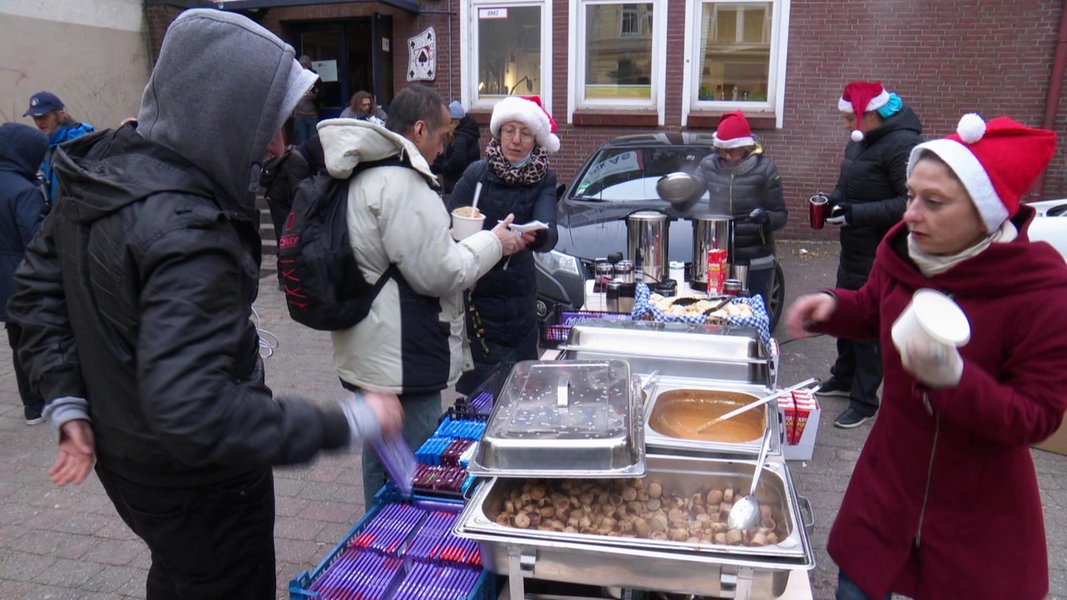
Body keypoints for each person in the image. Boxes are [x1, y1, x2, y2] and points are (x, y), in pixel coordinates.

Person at [6, 10, 404, 598]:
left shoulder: (106, 173)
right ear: (221, 114)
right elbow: (193, 410)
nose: (276, 145)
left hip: (128, 458)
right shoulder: (189, 227)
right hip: (199, 480)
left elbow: (36, 293)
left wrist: (66, 400)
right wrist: (348, 421)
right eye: (267, 123)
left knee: (182, 575)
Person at [785, 114, 1065, 600]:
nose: (910, 214)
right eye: (911, 195)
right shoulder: (905, 257)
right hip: (886, 495)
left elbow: (1037, 418)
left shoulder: (1040, 295)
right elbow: (873, 311)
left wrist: (954, 379)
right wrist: (832, 307)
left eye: (933, 202)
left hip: (975, 525)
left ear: (988, 211)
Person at [317, 85, 526, 508]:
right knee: (415, 480)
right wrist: (493, 243)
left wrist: (442, 239)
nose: (443, 147)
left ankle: (376, 556)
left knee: (381, 470)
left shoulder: (364, 171)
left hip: (369, 350)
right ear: (418, 130)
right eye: (442, 136)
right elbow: (441, 273)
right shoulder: (402, 183)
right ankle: (407, 558)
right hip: (403, 359)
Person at [816, 81, 923, 429]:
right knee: (845, 314)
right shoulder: (860, 141)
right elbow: (847, 183)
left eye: (850, 119)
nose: (846, 126)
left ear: (872, 113)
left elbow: (909, 203)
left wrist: (855, 213)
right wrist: (833, 201)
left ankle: (864, 400)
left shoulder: (903, 144)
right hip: (855, 246)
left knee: (869, 326)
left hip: (884, 252)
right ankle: (843, 378)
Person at [447, 95, 560, 395]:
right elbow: (452, 220)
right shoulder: (476, 174)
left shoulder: (543, 178)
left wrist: (538, 237)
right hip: (479, 298)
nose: (516, 140)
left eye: (524, 133)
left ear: (535, 139)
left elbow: (549, 228)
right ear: (498, 134)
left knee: (522, 393)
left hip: (520, 300)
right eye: (509, 131)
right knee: (481, 397)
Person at [688, 109, 787, 311]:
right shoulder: (709, 165)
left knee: (754, 314)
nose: (726, 156)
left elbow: (780, 215)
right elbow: (689, 195)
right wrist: (678, 194)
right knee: (716, 314)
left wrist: (765, 218)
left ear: (745, 147)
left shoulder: (765, 169)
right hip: (718, 258)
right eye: (722, 150)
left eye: (731, 151)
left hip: (756, 258)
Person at [0, 123, 48, 425]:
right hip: (25, 279)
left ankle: (32, 405)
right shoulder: (24, 191)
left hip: (4, 282)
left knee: (18, 341)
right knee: (40, 338)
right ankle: (49, 398)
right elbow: (37, 240)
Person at [23, 90, 95, 207]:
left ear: (60, 115)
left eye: (44, 116)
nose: (39, 122)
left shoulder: (79, 139)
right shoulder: (44, 145)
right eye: (35, 118)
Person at [432, 100, 482, 196]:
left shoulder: (461, 137)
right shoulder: (468, 133)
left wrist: (444, 167)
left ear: (453, 121)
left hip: (458, 183)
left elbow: (458, 159)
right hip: (466, 182)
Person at [292, 55, 321, 144]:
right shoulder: (295, 78)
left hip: (312, 115)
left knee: (313, 143)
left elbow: (323, 95)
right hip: (299, 116)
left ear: (309, 66)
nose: (303, 67)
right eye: (301, 65)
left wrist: (314, 96)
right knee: (301, 142)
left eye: (305, 65)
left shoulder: (315, 78)